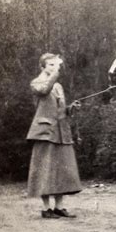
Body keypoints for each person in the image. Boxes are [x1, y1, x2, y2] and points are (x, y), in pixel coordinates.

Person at [26, 53, 83, 219]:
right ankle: (46, 209)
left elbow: (60, 111)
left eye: (55, 64)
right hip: (44, 133)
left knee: (62, 171)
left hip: (61, 133)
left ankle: (59, 207)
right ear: (42, 67)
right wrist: (56, 72)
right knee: (45, 171)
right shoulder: (36, 83)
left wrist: (71, 108)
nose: (54, 67)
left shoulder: (58, 86)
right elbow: (44, 90)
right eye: (50, 65)